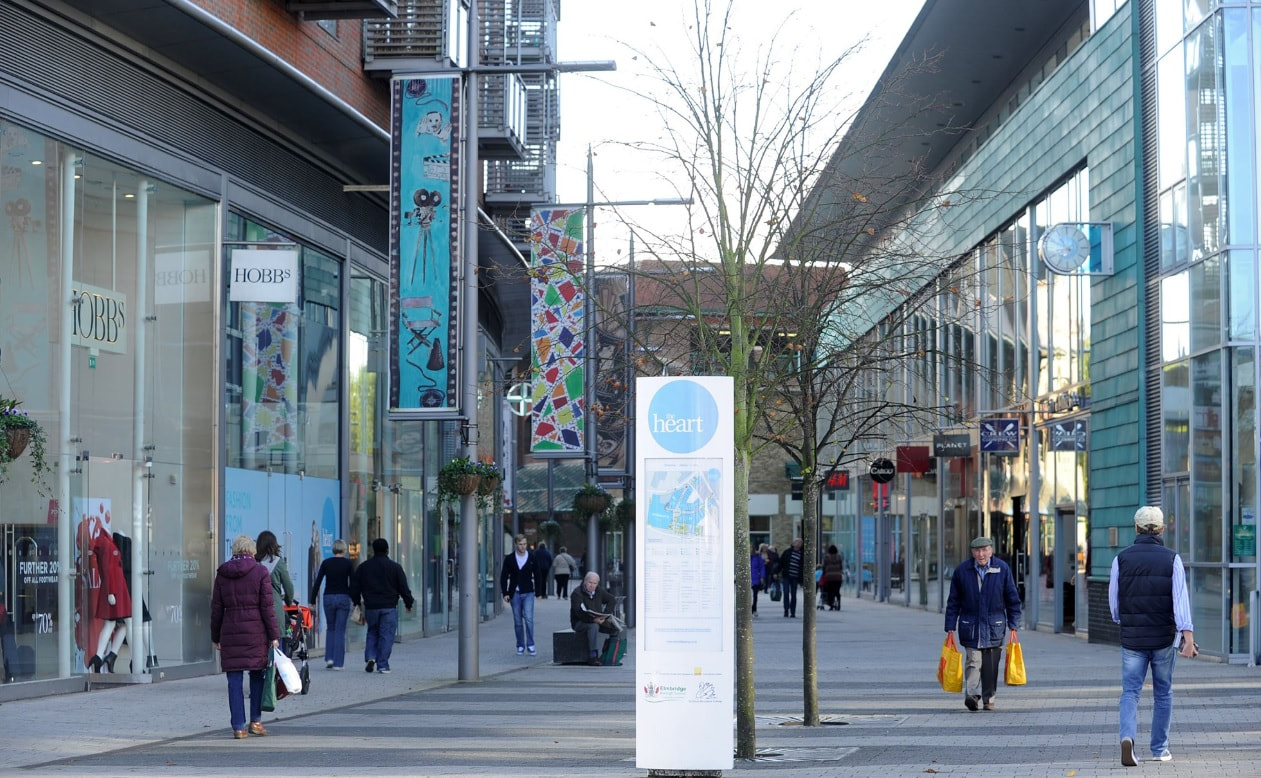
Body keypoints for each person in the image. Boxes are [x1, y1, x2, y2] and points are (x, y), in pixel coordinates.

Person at [1109, 506, 1197, 766]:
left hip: (1132, 639)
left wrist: (1122, 620)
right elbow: (1180, 601)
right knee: (1163, 693)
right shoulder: (1172, 559)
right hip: (1163, 639)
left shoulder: (1120, 559)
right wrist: (1188, 637)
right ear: (1161, 529)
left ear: (1136, 528)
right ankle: (1159, 749)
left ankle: (1127, 738)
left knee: (1130, 692)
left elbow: (1114, 602)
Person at [211, 534, 280, 739]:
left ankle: (238, 727)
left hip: (230, 632)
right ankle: (256, 722)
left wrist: (215, 636)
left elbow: (216, 609)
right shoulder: (260, 572)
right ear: (252, 551)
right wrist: (274, 635)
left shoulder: (222, 573)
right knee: (257, 675)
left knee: (234, 679)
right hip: (255, 633)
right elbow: (267, 608)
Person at [944, 536, 1022, 712]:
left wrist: (1014, 624)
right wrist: (950, 626)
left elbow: (1012, 599)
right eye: (977, 551)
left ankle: (989, 699)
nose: (981, 554)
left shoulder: (1002, 569)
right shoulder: (962, 571)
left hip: (995, 626)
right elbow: (953, 601)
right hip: (970, 626)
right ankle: (972, 695)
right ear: (972, 552)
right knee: (973, 661)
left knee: (991, 666)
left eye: (985, 550)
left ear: (991, 551)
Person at [349, 538, 414, 674]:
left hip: (371, 606)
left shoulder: (364, 567)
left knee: (372, 631)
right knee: (386, 635)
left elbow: (355, 587)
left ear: (373, 550)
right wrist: (408, 603)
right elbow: (403, 587)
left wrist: (357, 602)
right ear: (387, 550)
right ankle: (383, 665)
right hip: (389, 606)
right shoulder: (395, 567)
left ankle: (371, 657)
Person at [310, 538, 354, 670]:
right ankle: (338, 663)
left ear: (333, 549)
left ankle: (329, 658)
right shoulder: (348, 563)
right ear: (344, 549)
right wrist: (355, 600)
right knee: (340, 630)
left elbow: (317, 582)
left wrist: (312, 601)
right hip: (343, 597)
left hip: (328, 597)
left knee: (331, 628)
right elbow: (353, 583)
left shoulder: (326, 563)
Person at [500, 534, 540, 656]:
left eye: (525, 544)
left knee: (528, 619)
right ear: (516, 545)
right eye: (520, 544)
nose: (523, 547)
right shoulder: (510, 559)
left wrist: (539, 592)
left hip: (528, 592)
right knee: (518, 621)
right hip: (515, 593)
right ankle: (520, 645)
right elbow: (503, 576)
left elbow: (538, 575)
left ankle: (531, 644)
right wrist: (505, 593)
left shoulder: (532, 557)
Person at [255, 530, 294, 652]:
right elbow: (289, 586)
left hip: (256, 609)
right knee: (277, 649)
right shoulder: (278, 562)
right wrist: (288, 601)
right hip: (274, 607)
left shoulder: (254, 563)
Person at [570, 572, 618, 666]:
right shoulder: (577, 593)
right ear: (585, 581)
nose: (592, 585)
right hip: (580, 622)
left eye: (595, 583)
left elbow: (612, 600)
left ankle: (609, 655)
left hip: (598, 619)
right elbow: (579, 613)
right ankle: (593, 656)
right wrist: (593, 620)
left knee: (615, 627)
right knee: (593, 626)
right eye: (590, 582)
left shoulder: (599, 591)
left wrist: (605, 615)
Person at [780, 538, 805, 618]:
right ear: (793, 543)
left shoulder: (802, 554)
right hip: (786, 576)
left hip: (795, 577)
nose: (798, 544)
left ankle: (793, 611)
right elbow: (781, 562)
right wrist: (775, 572)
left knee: (794, 594)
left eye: (800, 542)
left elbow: (803, 567)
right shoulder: (787, 552)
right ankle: (786, 609)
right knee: (786, 592)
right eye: (797, 542)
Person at [822, 545, 845, 611]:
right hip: (838, 577)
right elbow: (841, 567)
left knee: (830, 591)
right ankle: (838, 601)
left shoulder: (826, 557)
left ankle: (831, 605)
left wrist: (824, 572)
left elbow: (824, 566)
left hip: (829, 577)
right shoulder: (839, 557)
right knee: (837, 591)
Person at [750, 544, 766, 618]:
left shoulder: (757, 557)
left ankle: (754, 609)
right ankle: (748, 609)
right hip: (747, 579)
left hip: (755, 578)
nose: (750, 549)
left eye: (751, 548)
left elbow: (762, 567)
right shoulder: (744, 557)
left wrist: (762, 577)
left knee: (755, 595)